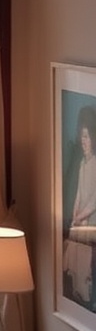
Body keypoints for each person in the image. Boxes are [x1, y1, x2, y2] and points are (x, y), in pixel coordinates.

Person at [64, 104, 96, 307]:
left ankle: (85, 295)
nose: (84, 141)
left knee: (84, 261)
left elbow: (94, 201)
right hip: (79, 219)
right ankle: (76, 290)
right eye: (81, 137)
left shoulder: (94, 165)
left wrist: (81, 216)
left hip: (89, 221)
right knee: (73, 255)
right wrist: (75, 213)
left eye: (87, 137)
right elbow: (78, 193)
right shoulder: (82, 164)